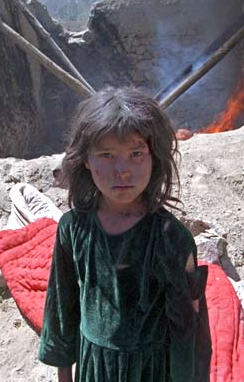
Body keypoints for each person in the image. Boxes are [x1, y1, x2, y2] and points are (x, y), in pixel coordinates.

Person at [38, 87, 211, 382]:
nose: (123, 170)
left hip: (151, 370)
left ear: (153, 157)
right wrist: (64, 375)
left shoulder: (171, 238)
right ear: (86, 160)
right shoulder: (73, 229)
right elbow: (62, 310)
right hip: (94, 368)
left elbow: (186, 332)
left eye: (136, 153)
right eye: (106, 154)